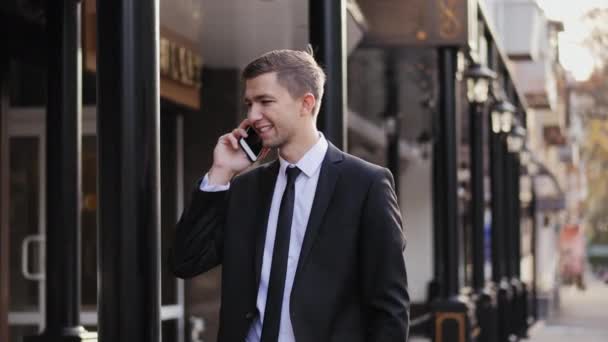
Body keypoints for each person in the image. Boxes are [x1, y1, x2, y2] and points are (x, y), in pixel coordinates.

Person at [171, 49, 410, 342]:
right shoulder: (247, 189)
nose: (252, 116)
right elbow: (185, 261)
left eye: (265, 102)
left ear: (305, 103)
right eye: (249, 103)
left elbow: (390, 308)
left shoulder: (364, 184)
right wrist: (220, 173)